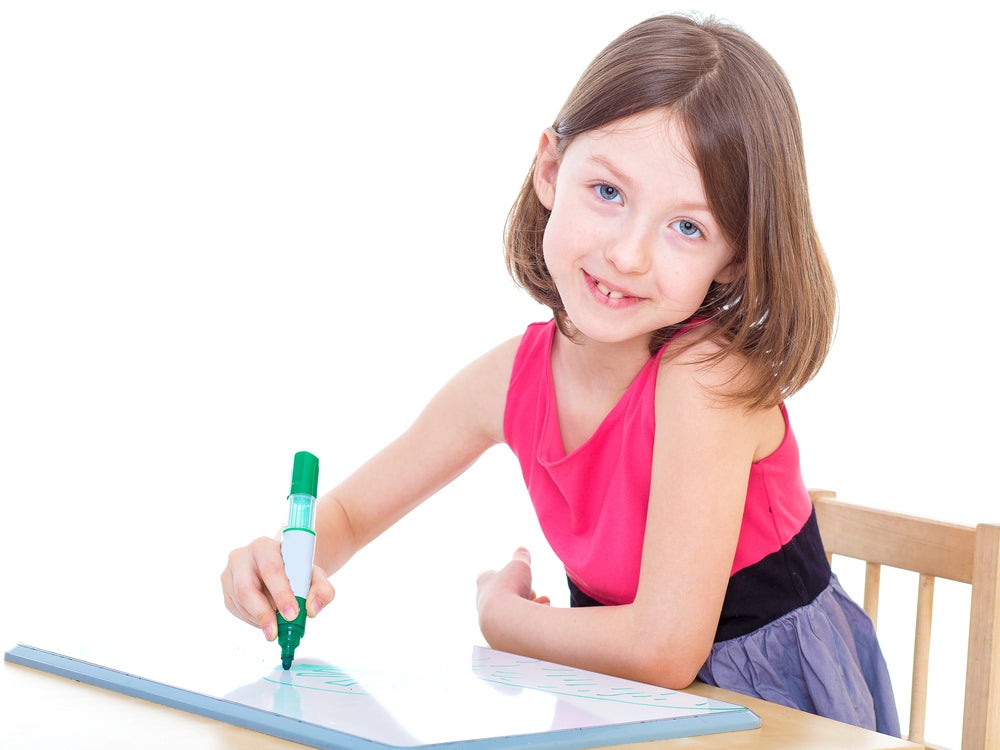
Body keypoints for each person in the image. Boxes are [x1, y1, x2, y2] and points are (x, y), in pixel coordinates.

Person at [221, 13, 899, 735]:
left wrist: (502, 620)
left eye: (687, 227)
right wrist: (271, 565)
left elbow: (664, 649)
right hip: (626, 704)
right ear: (550, 169)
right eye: (608, 193)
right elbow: (351, 518)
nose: (630, 254)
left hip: (771, 711)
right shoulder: (508, 381)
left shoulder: (706, 379)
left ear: (733, 257)